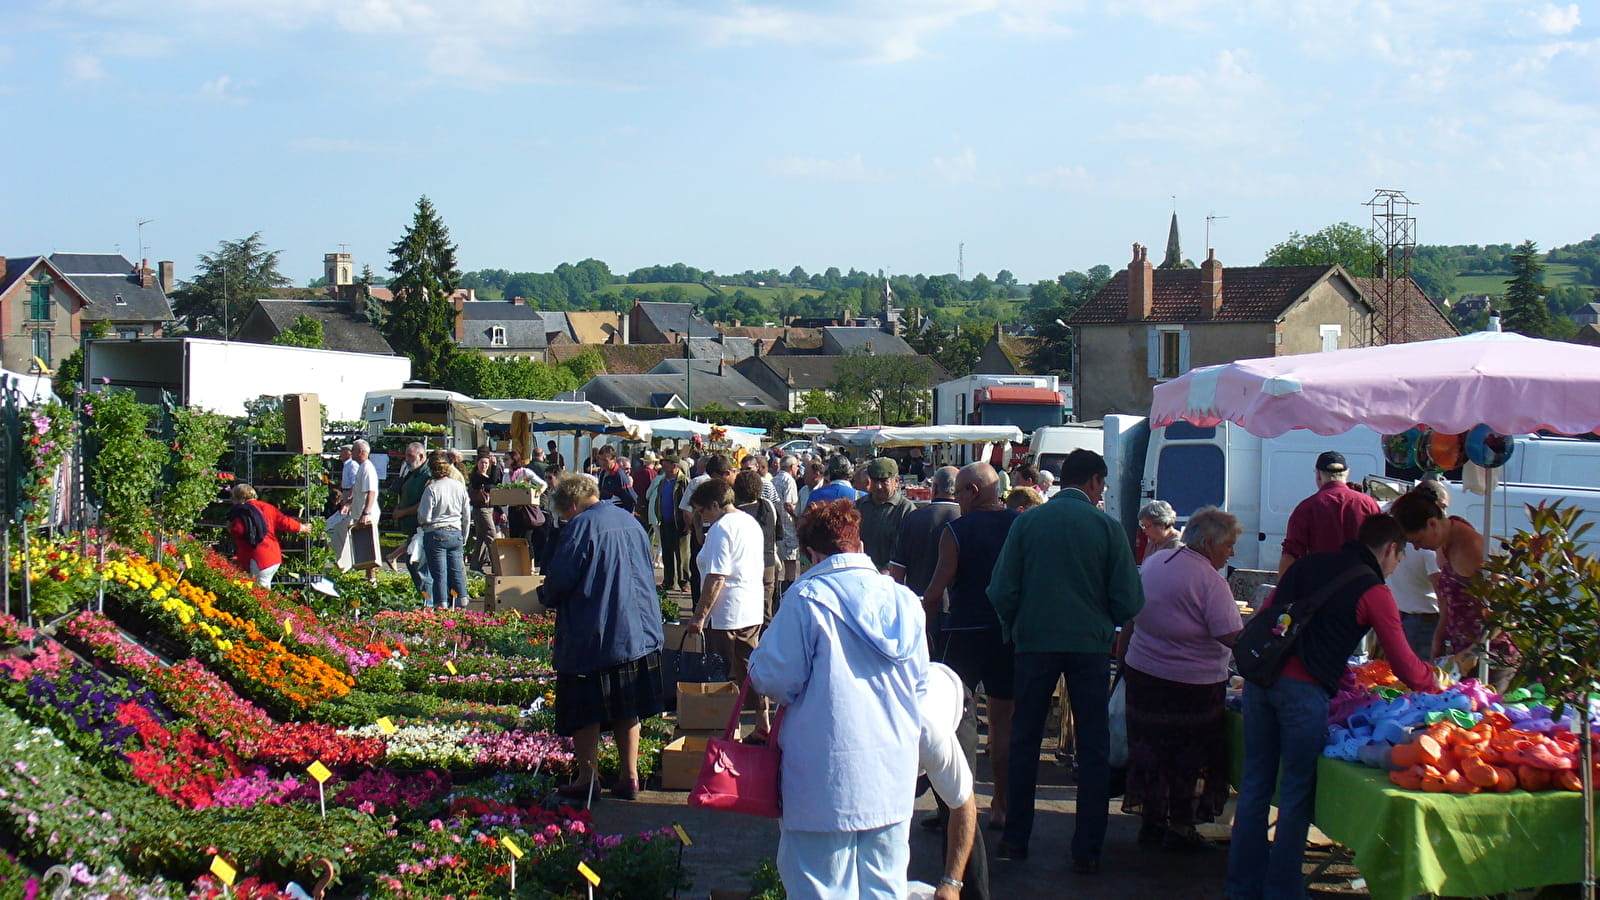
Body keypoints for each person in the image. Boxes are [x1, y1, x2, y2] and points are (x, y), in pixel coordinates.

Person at [1227, 514, 1435, 900]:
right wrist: (1436, 681)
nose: (1395, 568)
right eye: (1398, 559)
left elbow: (1267, 614)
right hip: (1303, 693)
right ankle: (1283, 891)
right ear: (1390, 549)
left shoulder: (1308, 564)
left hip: (1260, 680)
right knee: (1294, 793)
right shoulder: (1373, 590)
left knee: (1256, 787)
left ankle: (1242, 888)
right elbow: (1406, 666)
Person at [748, 499, 928, 900]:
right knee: (886, 888)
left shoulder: (807, 595)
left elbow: (776, 678)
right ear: (859, 542)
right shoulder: (904, 600)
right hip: (892, 770)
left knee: (821, 888)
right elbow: (919, 683)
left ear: (812, 553)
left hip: (824, 774)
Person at [989, 448, 1144, 872]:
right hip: (1089, 647)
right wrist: (1102, 621)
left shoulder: (1029, 523)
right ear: (1094, 482)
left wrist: (1016, 627)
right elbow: (1130, 599)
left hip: (1035, 642)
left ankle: (1015, 840)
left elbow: (1001, 589)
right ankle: (1087, 849)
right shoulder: (1107, 528)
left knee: (1024, 741)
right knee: (1093, 747)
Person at [1119, 507, 1244, 851]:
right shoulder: (1209, 580)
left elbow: (1133, 615)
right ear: (1207, 544)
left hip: (1145, 675)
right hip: (1192, 687)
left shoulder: (1158, 562)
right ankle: (1179, 827)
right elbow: (1231, 635)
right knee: (1188, 760)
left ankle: (1152, 821)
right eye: (1229, 545)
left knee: (1152, 754)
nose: (1232, 553)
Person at [544, 474, 665, 802]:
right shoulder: (629, 519)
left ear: (571, 505)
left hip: (595, 631)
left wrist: (544, 595)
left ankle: (588, 777)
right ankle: (630, 776)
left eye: (563, 513)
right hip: (638, 630)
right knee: (627, 707)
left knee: (586, 711)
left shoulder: (580, 527)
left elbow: (560, 581)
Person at [921, 461, 1021, 831]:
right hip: (1006, 632)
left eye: (960, 491)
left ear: (973, 492)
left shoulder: (957, 530)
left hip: (964, 631)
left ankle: (956, 809)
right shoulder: (1018, 524)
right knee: (1002, 721)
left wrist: (925, 629)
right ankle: (1002, 804)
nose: (956, 499)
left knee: (955, 722)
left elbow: (936, 590)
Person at [1391, 488, 1512, 685]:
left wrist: (1474, 651)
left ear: (1432, 524)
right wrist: (1439, 638)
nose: (1418, 548)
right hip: (1462, 652)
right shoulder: (1444, 542)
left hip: (1490, 657)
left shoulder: (1471, 546)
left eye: (1418, 540)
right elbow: (1448, 600)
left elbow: (1504, 609)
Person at [685, 478, 772, 738]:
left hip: (726, 613)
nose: (702, 516)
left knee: (722, 672)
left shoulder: (722, 528)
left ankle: (726, 727)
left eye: (702, 511)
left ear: (714, 504)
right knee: (749, 667)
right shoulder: (749, 522)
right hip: (751, 606)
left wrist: (700, 617)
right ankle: (762, 721)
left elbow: (717, 577)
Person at [918, 662, 985, 900]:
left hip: (954, 703)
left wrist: (952, 883)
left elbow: (963, 808)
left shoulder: (930, 736)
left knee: (952, 805)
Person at [1278, 450, 1382, 578]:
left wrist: (1283, 593)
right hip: (1361, 587)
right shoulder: (1369, 504)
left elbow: (1290, 555)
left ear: (1318, 475)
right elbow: (1382, 548)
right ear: (1347, 474)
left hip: (1320, 589)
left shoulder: (1305, 508)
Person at [1385, 480, 1447, 660]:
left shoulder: (1398, 529)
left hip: (1401, 614)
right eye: (1443, 507)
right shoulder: (1429, 544)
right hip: (1426, 621)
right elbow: (1441, 592)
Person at [889, 466, 961, 597]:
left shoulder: (913, 518)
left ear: (935, 488)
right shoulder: (966, 519)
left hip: (919, 602)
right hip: (957, 605)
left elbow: (897, 571)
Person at [417, 451, 471, 609]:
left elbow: (424, 517)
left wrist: (423, 523)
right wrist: (464, 536)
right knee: (457, 571)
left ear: (432, 470)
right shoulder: (459, 487)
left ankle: (442, 606)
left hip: (436, 532)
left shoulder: (431, 488)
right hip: (455, 532)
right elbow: (466, 515)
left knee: (440, 575)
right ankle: (462, 603)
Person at [227, 484, 304, 588]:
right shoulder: (267, 507)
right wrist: (301, 527)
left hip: (257, 558)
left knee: (258, 593)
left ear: (238, 498)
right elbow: (284, 521)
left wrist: (230, 528)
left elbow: (238, 531)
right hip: (273, 556)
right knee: (265, 590)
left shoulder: (242, 511)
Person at [390, 442, 435, 601]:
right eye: (406, 455)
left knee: (420, 568)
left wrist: (402, 512)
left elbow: (423, 504)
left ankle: (429, 605)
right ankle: (424, 601)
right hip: (412, 529)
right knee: (412, 564)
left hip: (422, 530)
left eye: (411, 456)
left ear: (422, 457)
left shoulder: (427, 475)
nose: (407, 459)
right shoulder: (411, 472)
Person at [734, 469, 780, 622]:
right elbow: (779, 534)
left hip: (744, 566)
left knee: (744, 611)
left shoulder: (735, 514)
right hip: (768, 563)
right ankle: (766, 643)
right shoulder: (768, 506)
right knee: (765, 610)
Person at [858, 458, 916, 573]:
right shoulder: (859, 506)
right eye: (875, 481)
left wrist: (888, 570)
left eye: (884, 481)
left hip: (892, 579)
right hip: (862, 575)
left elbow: (908, 551)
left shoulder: (906, 510)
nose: (879, 486)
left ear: (896, 481)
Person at [645, 454, 692, 591]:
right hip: (665, 521)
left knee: (682, 554)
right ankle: (668, 581)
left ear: (674, 466)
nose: (663, 466)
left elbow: (690, 503)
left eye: (665, 464)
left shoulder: (684, 482)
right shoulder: (662, 481)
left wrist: (689, 523)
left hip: (680, 522)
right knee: (667, 552)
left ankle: (684, 582)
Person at [345, 439, 381, 582]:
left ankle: (372, 579)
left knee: (369, 547)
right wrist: (350, 503)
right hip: (361, 511)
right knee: (364, 545)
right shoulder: (362, 467)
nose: (351, 452)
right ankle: (368, 577)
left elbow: (371, 492)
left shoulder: (367, 468)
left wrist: (366, 513)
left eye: (353, 450)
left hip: (367, 513)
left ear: (360, 452)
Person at [467, 447, 503, 572]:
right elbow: (492, 483)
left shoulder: (485, 475)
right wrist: (495, 466)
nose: (484, 465)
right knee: (492, 537)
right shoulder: (476, 476)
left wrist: (494, 467)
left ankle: (475, 567)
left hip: (488, 509)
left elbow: (495, 482)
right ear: (477, 464)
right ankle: (498, 567)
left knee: (481, 538)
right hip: (481, 509)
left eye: (486, 463)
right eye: (482, 463)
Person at [773, 455, 802, 596]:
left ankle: (775, 595)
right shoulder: (789, 481)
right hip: (788, 526)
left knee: (776, 566)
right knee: (790, 565)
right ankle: (787, 594)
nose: (797, 469)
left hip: (775, 527)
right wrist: (798, 517)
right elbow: (789, 504)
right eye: (796, 466)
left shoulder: (774, 479)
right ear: (791, 467)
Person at [596, 445, 638, 512]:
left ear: (614, 459)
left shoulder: (619, 475)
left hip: (616, 514)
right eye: (600, 459)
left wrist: (625, 515)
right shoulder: (603, 473)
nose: (602, 463)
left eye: (605, 460)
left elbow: (632, 498)